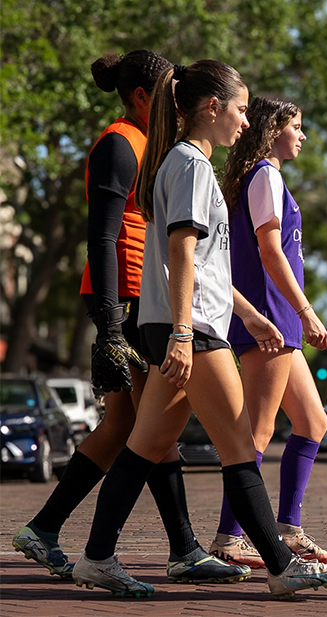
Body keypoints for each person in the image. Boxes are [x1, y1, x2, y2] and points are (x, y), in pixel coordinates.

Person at [70, 59, 327, 600]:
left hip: (169, 324)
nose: (247, 122)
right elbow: (182, 249)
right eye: (242, 110)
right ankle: (280, 564)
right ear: (212, 108)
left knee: (144, 446)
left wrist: (244, 312)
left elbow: (207, 263)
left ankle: (95, 559)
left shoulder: (176, 160)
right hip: (191, 330)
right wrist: (181, 332)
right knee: (241, 445)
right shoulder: (193, 165)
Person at [13, 50, 248, 586]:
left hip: (147, 299)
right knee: (146, 427)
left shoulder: (154, 146)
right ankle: (176, 547)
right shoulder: (119, 142)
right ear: (143, 97)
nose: (175, 109)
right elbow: (101, 236)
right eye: (168, 99)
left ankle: (49, 529)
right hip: (125, 301)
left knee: (133, 426)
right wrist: (110, 324)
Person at [207, 97, 327, 569]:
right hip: (269, 317)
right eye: (296, 126)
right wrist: (305, 310)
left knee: (312, 423)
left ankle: (289, 529)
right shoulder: (266, 174)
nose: (301, 135)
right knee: (256, 431)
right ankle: (229, 537)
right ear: (273, 127)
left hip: (278, 318)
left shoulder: (259, 176)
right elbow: (269, 250)